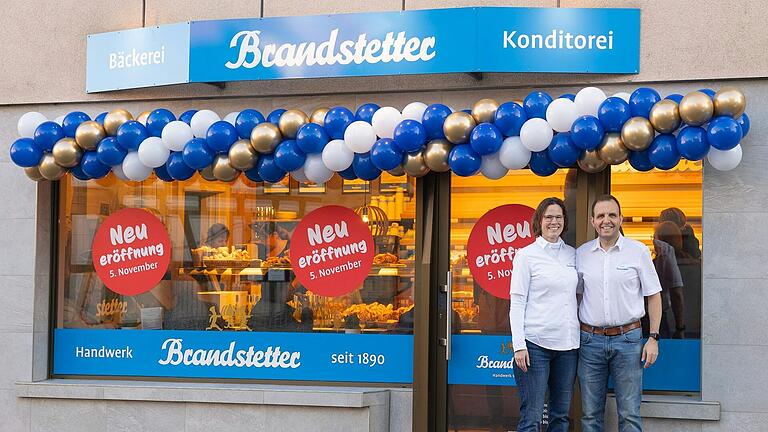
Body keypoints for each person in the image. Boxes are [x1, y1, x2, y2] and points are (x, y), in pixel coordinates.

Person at [576, 195, 662, 432]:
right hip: (589, 342)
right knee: (590, 415)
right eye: (601, 216)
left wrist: (653, 337)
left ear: (621, 219)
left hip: (629, 340)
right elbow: (576, 296)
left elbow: (654, 295)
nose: (607, 220)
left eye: (612, 215)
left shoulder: (638, 251)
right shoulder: (581, 254)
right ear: (593, 221)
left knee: (630, 414)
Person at [509, 197, 579, 432]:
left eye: (559, 217)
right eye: (548, 217)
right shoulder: (526, 255)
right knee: (532, 416)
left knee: (560, 416)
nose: (554, 221)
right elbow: (517, 301)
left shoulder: (573, 254)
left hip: (568, 347)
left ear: (564, 221)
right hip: (535, 345)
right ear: (539, 221)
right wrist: (519, 345)